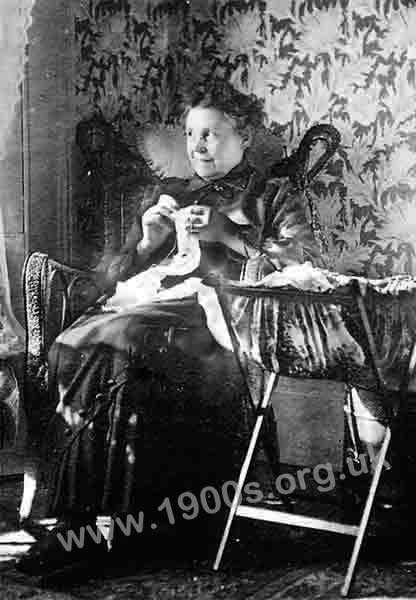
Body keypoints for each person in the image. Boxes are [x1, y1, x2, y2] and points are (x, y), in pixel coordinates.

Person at [17, 79, 317, 575]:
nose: (197, 145)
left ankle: (84, 531)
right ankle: (81, 527)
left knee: (125, 338)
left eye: (212, 135)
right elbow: (109, 279)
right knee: (75, 342)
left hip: (220, 326)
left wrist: (231, 235)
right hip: (154, 315)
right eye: (191, 133)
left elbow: (305, 270)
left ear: (245, 139)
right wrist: (145, 243)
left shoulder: (272, 195)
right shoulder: (172, 194)